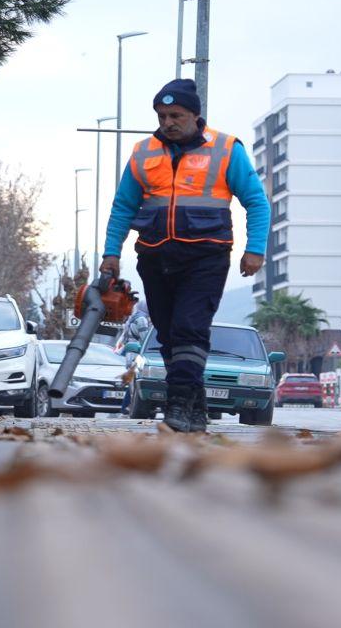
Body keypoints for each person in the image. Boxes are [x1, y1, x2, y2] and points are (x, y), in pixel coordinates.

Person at [100, 79, 270, 432]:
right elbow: (123, 206)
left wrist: (255, 249)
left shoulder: (226, 149)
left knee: (189, 328)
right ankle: (196, 407)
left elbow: (256, 202)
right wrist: (111, 253)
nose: (168, 122)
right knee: (168, 334)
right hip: (154, 256)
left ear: (195, 115)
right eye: (162, 116)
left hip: (206, 257)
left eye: (175, 115)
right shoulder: (143, 152)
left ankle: (177, 406)